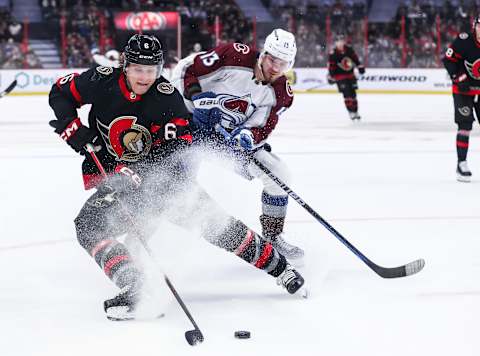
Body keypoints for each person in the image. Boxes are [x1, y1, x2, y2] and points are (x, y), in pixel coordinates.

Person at [48, 34, 305, 320]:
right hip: (119, 178)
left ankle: (281, 268)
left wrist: (135, 177)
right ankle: (137, 288)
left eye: (152, 70)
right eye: (139, 70)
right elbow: (60, 94)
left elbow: (176, 151)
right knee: (89, 226)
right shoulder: (101, 80)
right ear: (125, 65)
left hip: (164, 182)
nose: (146, 77)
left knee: (218, 227)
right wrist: (74, 131)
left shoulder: (166, 97)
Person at [170, 28, 305, 261]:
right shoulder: (234, 55)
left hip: (224, 142)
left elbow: (262, 125)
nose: (275, 67)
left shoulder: (282, 93)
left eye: (282, 64)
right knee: (171, 187)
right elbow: (186, 70)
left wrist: (248, 136)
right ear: (263, 53)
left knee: (278, 174)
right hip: (188, 125)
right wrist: (195, 98)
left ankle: (273, 236)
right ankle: (145, 242)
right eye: (272, 59)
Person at [442, 16, 480, 182]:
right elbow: (448, 60)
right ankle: (461, 163)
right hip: (463, 91)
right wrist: (458, 77)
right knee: (465, 125)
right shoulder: (464, 40)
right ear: (475, 26)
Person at [327, 35, 365, 121]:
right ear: (336, 43)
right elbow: (331, 66)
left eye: (341, 41)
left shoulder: (349, 49)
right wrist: (331, 75)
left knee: (353, 95)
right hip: (340, 77)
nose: (340, 43)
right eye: (338, 42)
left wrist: (360, 66)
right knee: (347, 95)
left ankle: (355, 112)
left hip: (351, 75)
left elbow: (355, 58)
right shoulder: (333, 53)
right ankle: (351, 112)